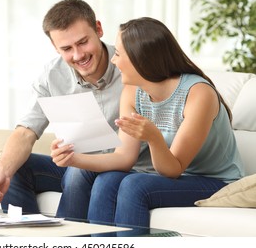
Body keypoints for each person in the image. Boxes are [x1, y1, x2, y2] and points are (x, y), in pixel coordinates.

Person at [50, 17, 244, 235]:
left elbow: (173, 169)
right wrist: (73, 159)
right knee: (107, 180)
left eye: (118, 54)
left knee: (134, 186)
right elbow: (124, 157)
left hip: (215, 181)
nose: (113, 61)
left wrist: (153, 138)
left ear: (140, 58)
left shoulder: (198, 93)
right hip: (176, 178)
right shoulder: (133, 92)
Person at [0, 0, 123, 220]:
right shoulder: (52, 75)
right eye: (66, 48)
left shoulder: (130, 66)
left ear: (98, 29)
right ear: (55, 47)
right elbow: (26, 131)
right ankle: (28, 242)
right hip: (77, 168)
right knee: (16, 168)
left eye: (83, 42)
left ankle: (65, 244)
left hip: (121, 168)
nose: (78, 55)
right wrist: (2, 172)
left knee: (78, 169)